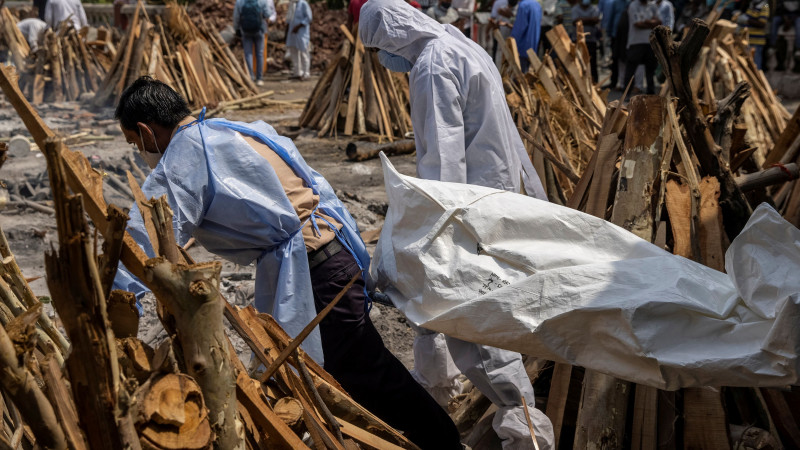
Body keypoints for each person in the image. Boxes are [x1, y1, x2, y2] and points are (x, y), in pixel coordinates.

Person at [113, 76, 462, 450]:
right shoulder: (235, 129)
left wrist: (114, 295)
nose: (141, 152)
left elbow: (143, 232)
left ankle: (444, 443)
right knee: (345, 372)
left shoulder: (184, 156)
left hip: (315, 270)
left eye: (136, 143)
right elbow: (317, 184)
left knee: (363, 374)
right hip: (334, 254)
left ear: (148, 131)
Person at [359, 1, 555, 449]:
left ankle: (526, 432)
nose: (383, 60)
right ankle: (434, 388)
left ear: (390, 36)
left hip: (468, 206)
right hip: (495, 194)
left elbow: (442, 161)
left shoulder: (431, 65)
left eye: (378, 48)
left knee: (474, 324)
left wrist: (425, 226)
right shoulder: (460, 43)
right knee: (435, 307)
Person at [234, 0, 275, 86]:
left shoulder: (240, 1)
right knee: (259, 53)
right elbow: (268, 14)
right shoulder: (262, 1)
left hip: (245, 31)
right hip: (260, 30)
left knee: (248, 53)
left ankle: (251, 77)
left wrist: (236, 29)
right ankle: (259, 78)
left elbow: (236, 16)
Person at [624, 0, 660, 94]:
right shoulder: (633, 5)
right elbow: (637, 24)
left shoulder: (652, 6)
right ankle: (626, 93)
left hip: (650, 43)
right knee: (631, 70)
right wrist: (651, 23)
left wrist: (646, 22)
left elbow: (659, 22)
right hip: (636, 42)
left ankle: (651, 93)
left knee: (650, 71)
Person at [572, 0, 601, 81]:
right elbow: (575, 21)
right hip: (578, 40)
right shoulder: (575, 8)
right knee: (578, 63)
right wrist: (590, 20)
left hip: (591, 40)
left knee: (592, 63)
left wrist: (582, 20)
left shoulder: (594, 8)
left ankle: (594, 82)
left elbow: (596, 20)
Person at [510, 0, 543, 72]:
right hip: (534, 43)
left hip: (522, 44)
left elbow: (520, 27)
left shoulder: (523, 5)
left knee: (520, 73)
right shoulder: (537, 5)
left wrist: (511, 40)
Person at [737, 0, 769, 69]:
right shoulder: (752, 5)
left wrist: (747, 20)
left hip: (756, 41)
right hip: (747, 40)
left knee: (756, 65)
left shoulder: (765, 5)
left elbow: (762, 24)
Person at [286, 0, 312, 80]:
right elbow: (289, 19)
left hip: (301, 32)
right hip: (292, 32)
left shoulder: (303, 4)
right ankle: (297, 72)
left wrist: (298, 26)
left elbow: (309, 18)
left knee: (303, 52)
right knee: (293, 51)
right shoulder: (292, 4)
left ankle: (306, 73)